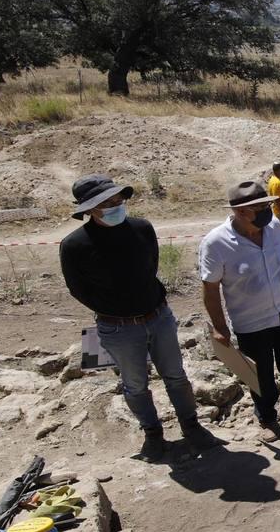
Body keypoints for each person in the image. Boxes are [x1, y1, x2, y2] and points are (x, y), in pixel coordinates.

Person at [60, 174, 213, 460]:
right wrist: (116, 309)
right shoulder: (75, 245)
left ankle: (191, 426)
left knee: (176, 376)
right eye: (107, 202)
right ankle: (152, 433)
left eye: (118, 199)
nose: (116, 205)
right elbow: (77, 289)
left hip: (158, 317)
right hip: (118, 328)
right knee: (135, 384)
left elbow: (151, 265)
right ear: (90, 209)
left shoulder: (142, 228)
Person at [199, 181, 280, 442]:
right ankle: (267, 418)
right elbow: (210, 288)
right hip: (251, 322)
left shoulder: (273, 226)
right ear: (241, 212)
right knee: (259, 374)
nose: (267, 210)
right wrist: (219, 327)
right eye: (260, 207)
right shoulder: (215, 243)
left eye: (267, 205)